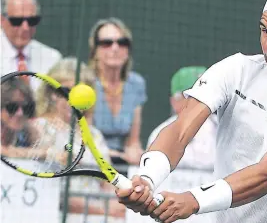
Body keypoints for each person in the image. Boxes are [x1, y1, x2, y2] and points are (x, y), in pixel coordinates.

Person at [115, 0, 267, 223]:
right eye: (264, 30)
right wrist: (147, 179)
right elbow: (180, 130)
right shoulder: (235, 70)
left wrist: (194, 200)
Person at [34, 57, 126, 219]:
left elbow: (107, 182)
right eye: (66, 91)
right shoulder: (39, 128)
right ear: (52, 94)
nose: (72, 99)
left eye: (80, 92)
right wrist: (103, 211)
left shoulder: (95, 135)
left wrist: (117, 204)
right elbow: (53, 192)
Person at [88, 17, 147, 166]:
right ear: (95, 50)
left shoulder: (136, 84)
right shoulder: (85, 83)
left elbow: (133, 140)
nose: (115, 48)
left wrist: (135, 152)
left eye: (122, 43)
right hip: (90, 161)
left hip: (123, 166)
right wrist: (120, 156)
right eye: (107, 43)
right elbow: (84, 139)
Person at [147, 66, 216, 171]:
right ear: (175, 101)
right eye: (192, 96)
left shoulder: (227, 127)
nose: (201, 100)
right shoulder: (160, 134)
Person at [1, 0, 62, 90]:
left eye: (32, 20)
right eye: (17, 21)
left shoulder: (52, 59)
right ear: (2, 20)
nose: (25, 28)